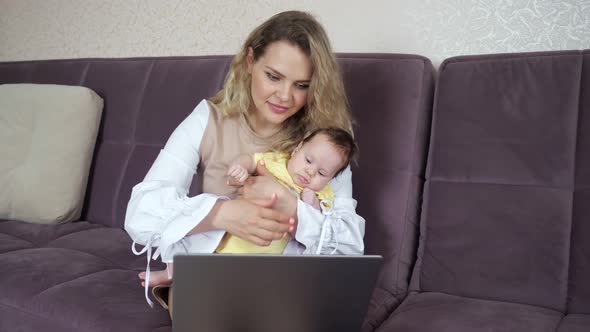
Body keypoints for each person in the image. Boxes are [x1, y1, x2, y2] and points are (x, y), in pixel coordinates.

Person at [124, 10, 365, 310]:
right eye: (274, 77)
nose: (285, 96)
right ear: (250, 61)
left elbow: (351, 249)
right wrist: (221, 214)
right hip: (212, 280)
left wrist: (293, 210)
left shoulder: (323, 145)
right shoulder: (208, 118)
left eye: (302, 85)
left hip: (283, 285)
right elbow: (140, 214)